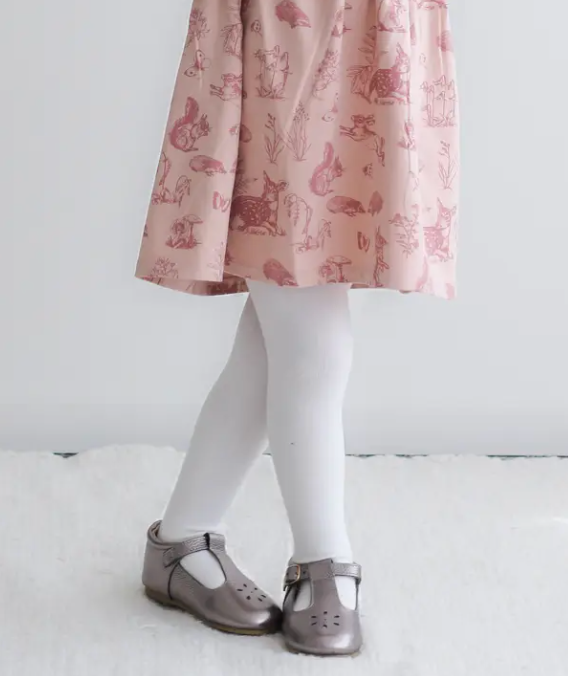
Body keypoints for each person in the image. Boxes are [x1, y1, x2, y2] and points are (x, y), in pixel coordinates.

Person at [135, 0, 459, 657]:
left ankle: (181, 541)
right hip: (295, 38)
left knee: (278, 340)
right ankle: (322, 558)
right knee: (310, 343)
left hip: (373, 34)